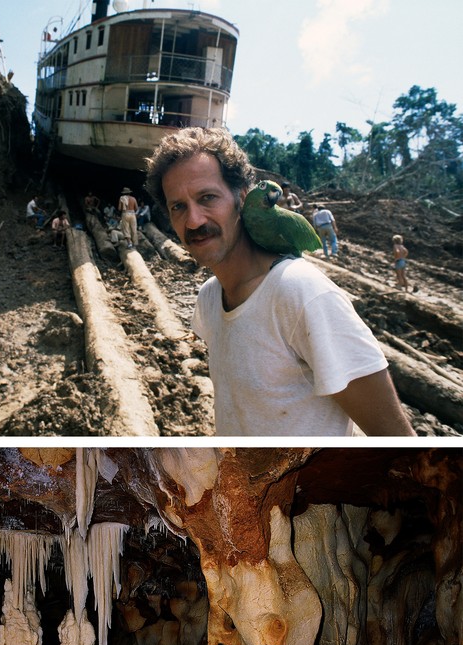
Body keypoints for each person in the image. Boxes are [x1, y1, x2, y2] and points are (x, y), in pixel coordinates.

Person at [145, 127, 415, 437]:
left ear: (242, 198)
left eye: (207, 198)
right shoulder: (210, 298)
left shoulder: (301, 294)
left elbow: (397, 441)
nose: (193, 221)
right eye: (178, 206)